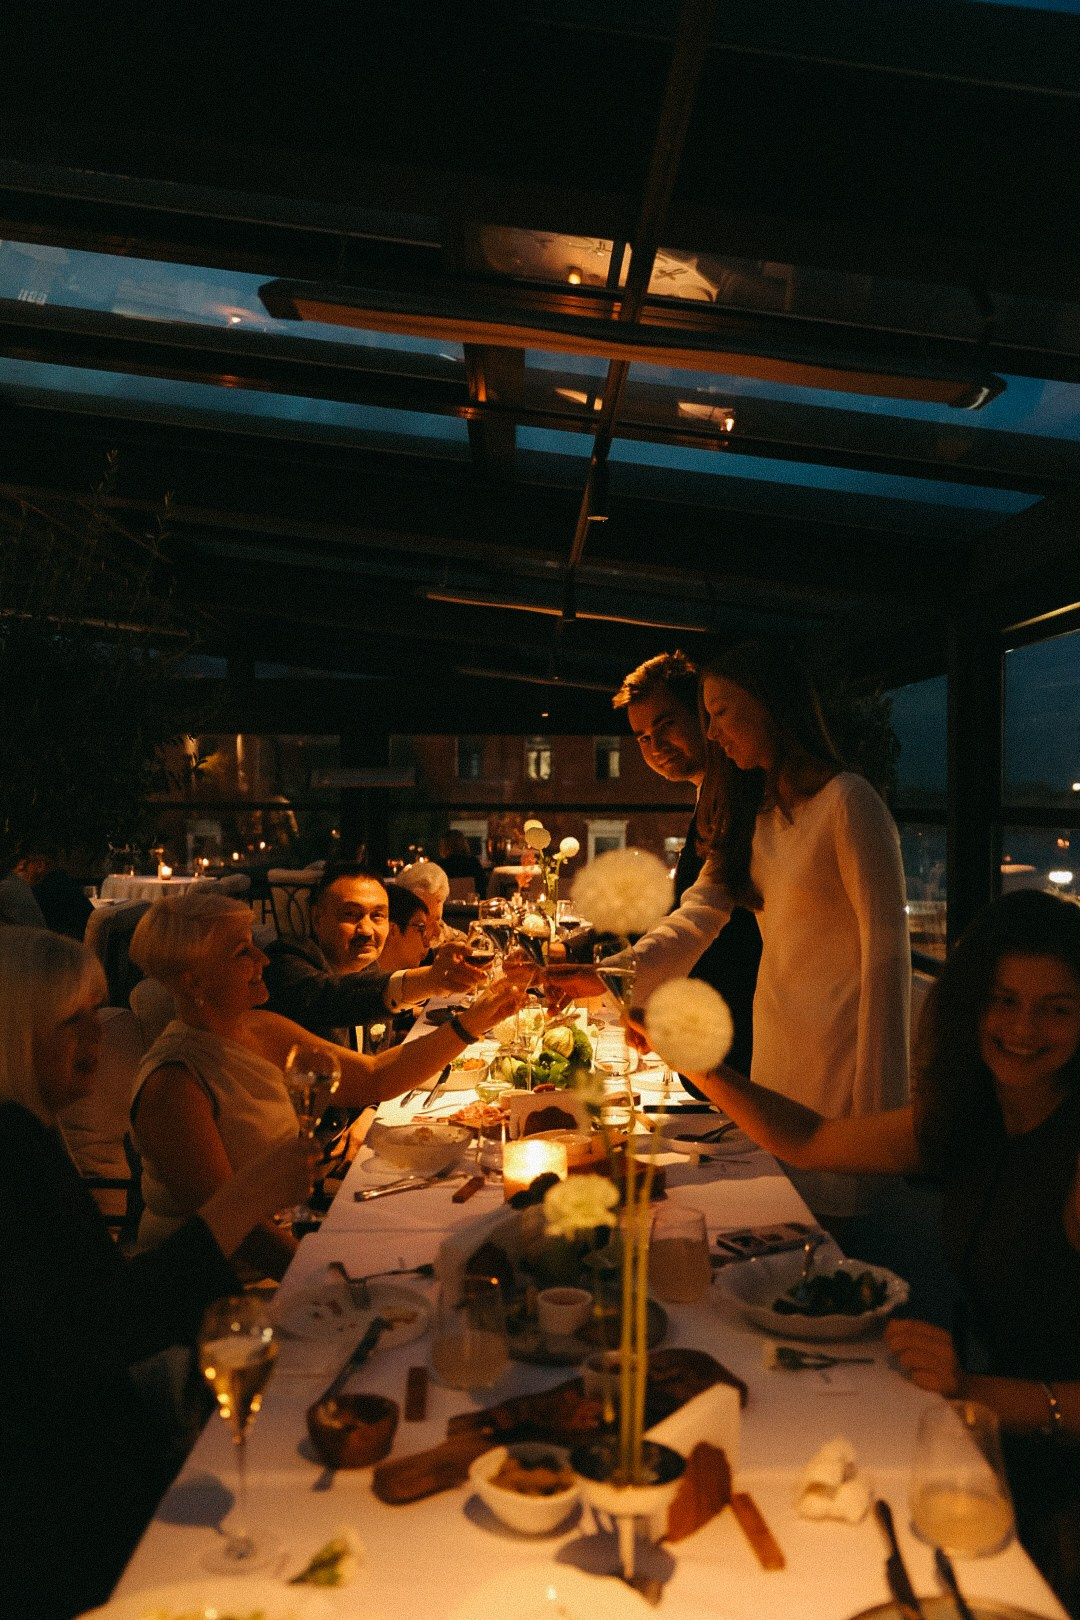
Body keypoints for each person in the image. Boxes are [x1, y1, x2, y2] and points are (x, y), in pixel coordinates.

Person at [672, 887, 1080, 1615]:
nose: (1024, 1028)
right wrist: (700, 1065)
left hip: (1057, 1471)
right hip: (985, 1434)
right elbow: (813, 1139)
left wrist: (977, 1391)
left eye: (1057, 1008)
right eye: (1004, 1000)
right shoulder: (975, 1118)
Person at [0, 925, 318, 1620]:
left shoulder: (31, 1133)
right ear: (15, 1034)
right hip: (66, 1505)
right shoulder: (14, 1161)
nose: (99, 1036)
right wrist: (245, 1198)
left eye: (99, 1013)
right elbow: (108, 1328)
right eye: (74, 1021)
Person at [551, 640, 911, 1233]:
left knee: (839, 1221)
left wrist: (878, 1114)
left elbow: (888, 962)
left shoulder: (848, 802)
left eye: (720, 713)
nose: (713, 734)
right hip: (777, 1039)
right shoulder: (756, 812)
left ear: (771, 705)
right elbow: (697, 914)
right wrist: (610, 977)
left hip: (840, 1049)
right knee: (780, 1213)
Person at [128, 888, 522, 1275]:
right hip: (216, 1288)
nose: (262, 958)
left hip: (285, 1244)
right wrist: (328, 1278)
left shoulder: (259, 1027)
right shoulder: (173, 1084)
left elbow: (374, 1077)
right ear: (193, 983)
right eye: (241, 952)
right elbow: (238, 1233)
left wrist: (473, 1022)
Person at [613, 650, 761, 1081]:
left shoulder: (745, 801)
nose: (656, 746)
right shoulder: (710, 798)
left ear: (703, 715)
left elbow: (706, 918)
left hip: (746, 1043)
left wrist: (618, 978)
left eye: (666, 726)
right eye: (643, 738)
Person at [262, 861, 487, 1046]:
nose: (367, 930)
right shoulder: (286, 960)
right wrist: (430, 980)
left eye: (377, 916)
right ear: (318, 919)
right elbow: (329, 997)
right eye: (351, 914)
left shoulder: (370, 968)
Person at [437, 829, 488, 895]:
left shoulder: (441, 865)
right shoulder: (473, 863)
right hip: (472, 900)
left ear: (444, 846)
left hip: (448, 901)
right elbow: (482, 887)